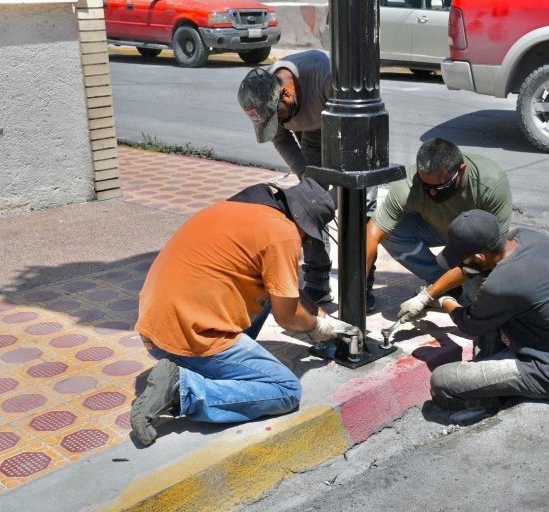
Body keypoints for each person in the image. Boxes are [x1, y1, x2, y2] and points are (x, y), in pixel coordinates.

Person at [130, 178, 361, 446]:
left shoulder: (240, 210)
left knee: (271, 292)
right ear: (304, 226)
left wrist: (322, 315)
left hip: (155, 327)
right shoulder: (283, 234)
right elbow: (287, 317)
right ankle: (182, 390)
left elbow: (285, 292)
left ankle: (194, 369)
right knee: (285, 390)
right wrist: (316, 327)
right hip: (186, 337)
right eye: (308, 237)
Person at [424, 210, 549, 423]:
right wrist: (429, 292)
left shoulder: (501, 284)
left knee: (442, 381)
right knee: (487, 306)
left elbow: (468, 323)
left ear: (480, 257)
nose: (460, 268)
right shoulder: (528, 237)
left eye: (463, 262)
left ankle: (487, 402)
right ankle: (492, 380)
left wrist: (444, 300)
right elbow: (474, 273)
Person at [237, 49, 378, 309]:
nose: (276, 124)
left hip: (352, 129)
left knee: (360, 207)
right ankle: (317, 282)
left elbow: (356, 134)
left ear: (287, 95)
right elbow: (281, 138)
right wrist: (309, 184)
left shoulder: (326, 76)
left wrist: (341, 194)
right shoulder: (262, 93)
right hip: (311, 133)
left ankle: (362, 285)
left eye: (278, 119)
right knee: (308, 206)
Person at [366, 138, 512, 314]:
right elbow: (372, 233)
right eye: (426, 186)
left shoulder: (490, 183)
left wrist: (428, 294)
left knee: (478, 306)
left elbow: (495, 252)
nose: (433, 192)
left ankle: (449, 288)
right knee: (390, 230)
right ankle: (445, 283)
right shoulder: (408, 185)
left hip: (474, 243)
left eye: (442, 186)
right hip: (434, 229)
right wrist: (356, 290)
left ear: (461, 170)